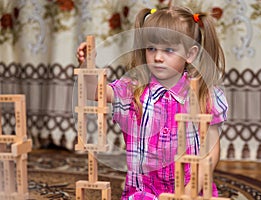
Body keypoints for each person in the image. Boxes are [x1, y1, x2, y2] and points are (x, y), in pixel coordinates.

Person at [77, 6, 228, 200]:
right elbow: (95, 92)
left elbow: (210, 151)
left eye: (169, 50)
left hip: (190, 189)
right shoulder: (134, 90)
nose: (157, 57)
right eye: (151, 48)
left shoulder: (203, 95)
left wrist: (190, 191)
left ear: (190, 54)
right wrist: (86, 66)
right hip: (143, 191)